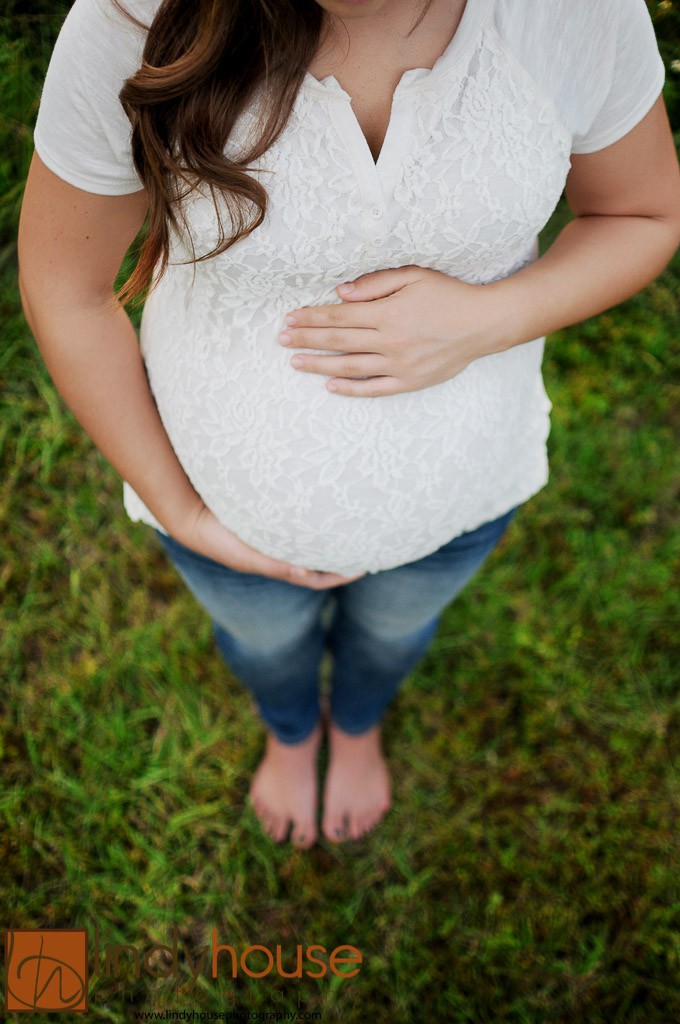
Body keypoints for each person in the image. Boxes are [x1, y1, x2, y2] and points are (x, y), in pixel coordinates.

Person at [18, 0, 680, 849]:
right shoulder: (130, 17)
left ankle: (359, 724)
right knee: (262, 649)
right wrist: (181, 510)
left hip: (459, 496)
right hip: (219, 513)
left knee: (398, 633)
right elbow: (65, 289)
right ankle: (292, 731)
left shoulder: (576, 14)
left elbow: (640, 214)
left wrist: (491, 319)